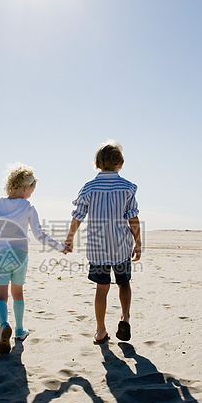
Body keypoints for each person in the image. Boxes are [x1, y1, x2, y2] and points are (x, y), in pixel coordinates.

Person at [0, 163, 68, 354]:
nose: (31, 194)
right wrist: (60, 247)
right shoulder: (28, 206)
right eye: (32, 190)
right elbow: (39, 235)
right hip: (20, 255)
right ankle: (19, 330)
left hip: (0, 255)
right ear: (26, 187)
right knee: (17, 292)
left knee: (0, 295)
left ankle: (4, 325)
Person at [65, 140, 141, 344]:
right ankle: (125, 317)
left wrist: (70, 238)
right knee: (124, 283)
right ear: (120, 164)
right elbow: (132, 218)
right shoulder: (127, 187)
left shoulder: (89, 187)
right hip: (121, 246)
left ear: (97, 164)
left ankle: (100, 331)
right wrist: (138, 243)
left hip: (98, 248)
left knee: (102, 288)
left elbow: (78, 216)